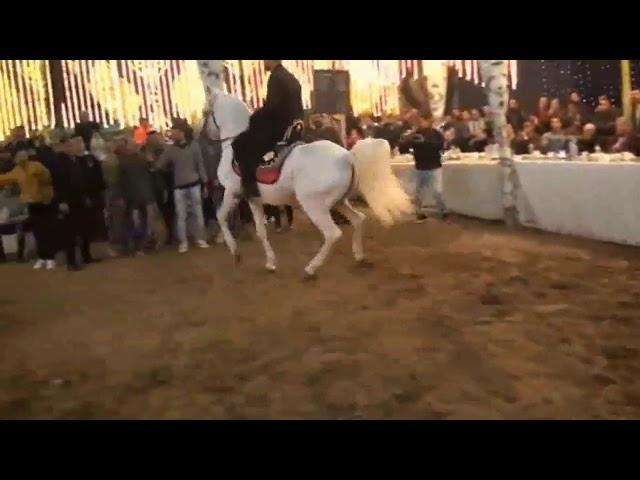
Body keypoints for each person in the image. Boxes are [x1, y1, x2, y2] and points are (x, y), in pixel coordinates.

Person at [232, 60, 304, 198]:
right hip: (294, 126)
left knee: (239, 144)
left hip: (278, 128)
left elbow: (271, 107)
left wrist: (254, 117)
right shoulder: (290, 77)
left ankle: (249, 187)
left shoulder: (275, 78)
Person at [156, 121, 209, 253]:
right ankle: (187, 241)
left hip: (189, 184)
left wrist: (205, 182)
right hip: (183, 185)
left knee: (194, 213)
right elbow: (160, 165)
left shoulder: (189, 147)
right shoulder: (172, 149)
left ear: (181, 132)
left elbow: (200, 164)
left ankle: (197, 239)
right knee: (184, 214)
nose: (172, 134)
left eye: (174, 132)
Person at [55, 137, 105, 271]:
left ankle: (86, 256)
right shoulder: (60, 162)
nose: (73, 148)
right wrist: (62, 201)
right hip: (68, 200)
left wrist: (87, 196)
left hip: (81, 199)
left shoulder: (80, 161)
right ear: (65, 147)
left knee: (85, 228)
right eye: (70, 146)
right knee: (70, 232)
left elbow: (84, 180)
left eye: (74, 145)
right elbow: (58, 184)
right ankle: (71, 262)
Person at [0, 150, 56, 269]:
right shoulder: (17, 171)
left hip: (44, 202)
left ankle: (50, 258)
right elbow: (4, 179)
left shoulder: (36, 165)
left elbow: (47, 177)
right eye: (19, 156)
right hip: (31, 204)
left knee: (46, 231)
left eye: (23, 155)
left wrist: (39, 175)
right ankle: (42, 257)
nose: (21, 158)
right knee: (37, 232)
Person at [398, 112, 447, 223]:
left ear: (429, 121)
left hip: (434, 166)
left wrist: (424, 142)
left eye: (423, 120)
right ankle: (419, 213)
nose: (421, 123)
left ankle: (443, 210)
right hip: (420, 166)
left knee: (437, 191)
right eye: (419, 120)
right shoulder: (414, 134)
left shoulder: (436, 134)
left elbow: (440, 147)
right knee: (418, 193)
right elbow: (403, 148)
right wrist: (406, 140)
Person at [116, 137, 155, 255]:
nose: (133, 147)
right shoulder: (124, 162)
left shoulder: (141, 159)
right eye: (132, 145)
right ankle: (137, 246)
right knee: (135, 222)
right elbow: (121, 181)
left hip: (143, 195)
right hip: (133, 197)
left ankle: (142, 245)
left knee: (144, 221)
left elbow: (152, 170)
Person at [143, 131, 174, 245]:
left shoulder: (165, 151)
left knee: (168, 211)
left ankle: (171, 233)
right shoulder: (145, 153)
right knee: (160, 212)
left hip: (165, 185)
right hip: (152, 187)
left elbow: (167, 170)